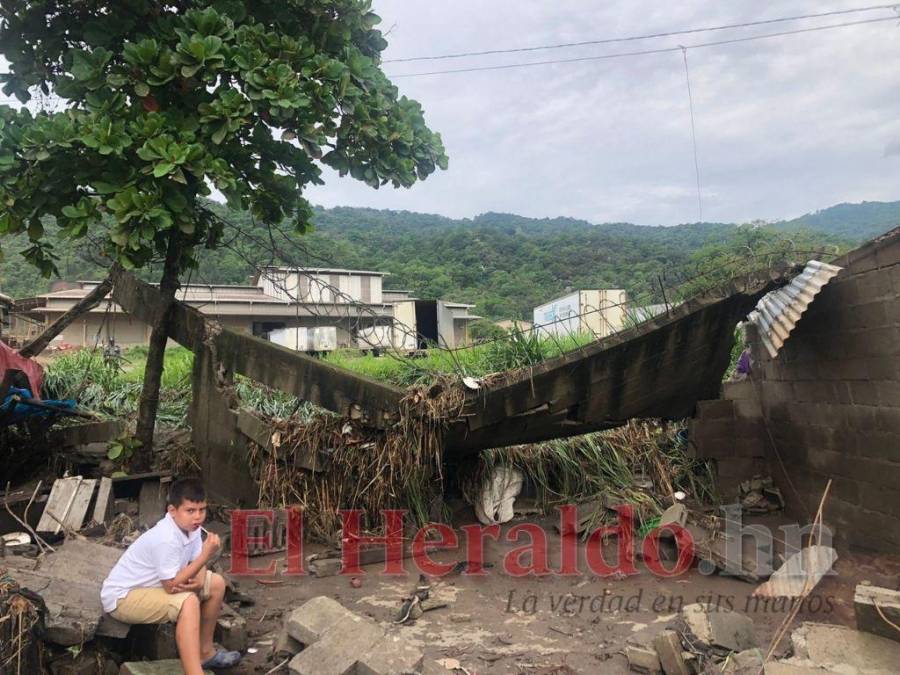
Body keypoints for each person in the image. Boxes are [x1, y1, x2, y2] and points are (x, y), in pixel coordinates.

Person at [101, 478, 241, 673]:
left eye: (202, 510)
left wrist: (198, 582)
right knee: (188, 602)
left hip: (155, 586)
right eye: (190, 511)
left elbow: (196, 565)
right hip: (124, 597)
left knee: (216, 583)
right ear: (172, 511)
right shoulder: (165, 538)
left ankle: (205, 653)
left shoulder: (191, 529)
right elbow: (171, 585)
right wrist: (205, 556)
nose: (198, 517)